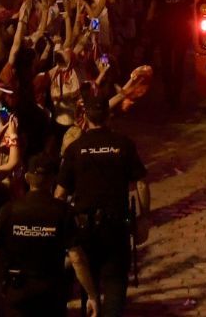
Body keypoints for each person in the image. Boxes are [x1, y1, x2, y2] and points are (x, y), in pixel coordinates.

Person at [57, 98, 146, 317]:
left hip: (84, 226)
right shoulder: (123, 144)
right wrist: (143, 219)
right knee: (115, 281)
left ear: (85, 118)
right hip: (116, 225)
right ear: (108, 116)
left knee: (89, 280)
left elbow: (60, 193)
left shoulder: (75, 149)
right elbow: (140, 183)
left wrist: (59, 226)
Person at [0, 153, 96, 317]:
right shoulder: (63, 211)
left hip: (18, 288)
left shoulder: (9, 210)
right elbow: (76, 257)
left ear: (27, 178)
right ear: (52, 179)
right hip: (51, 292)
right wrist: (92, 295)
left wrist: (1, 283)